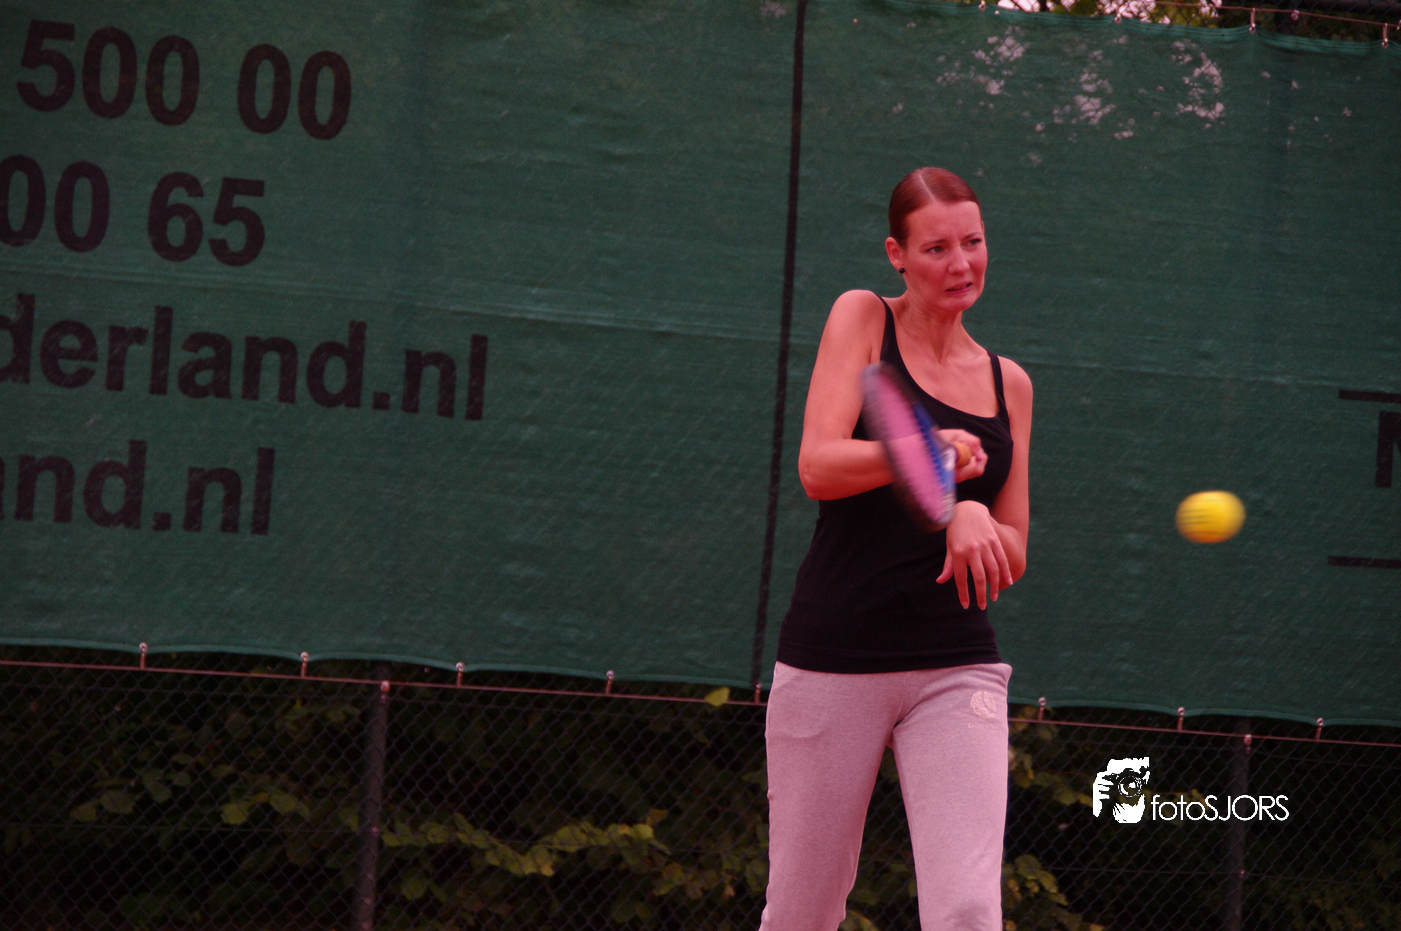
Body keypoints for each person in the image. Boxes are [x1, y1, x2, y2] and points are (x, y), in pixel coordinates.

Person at [760, 167, 1033, 931]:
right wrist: (926, 456)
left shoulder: (1009, 383)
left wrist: (973, 516)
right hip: (834, 654)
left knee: (968, 909)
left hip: (955, 662)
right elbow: (818, 465)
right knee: (802, 913)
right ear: (897, 255)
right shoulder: (861, 318)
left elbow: (1012, 546)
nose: (960, 263)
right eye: (936, 248)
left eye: (972, 242)